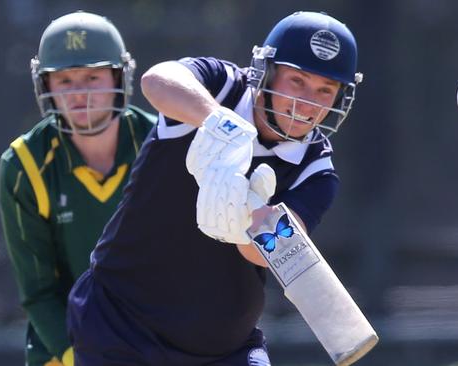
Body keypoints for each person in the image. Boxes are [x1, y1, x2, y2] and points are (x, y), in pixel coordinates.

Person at [67, 11, 362, 366]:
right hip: (120, 323)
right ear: (266, 71)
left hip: (222, 348)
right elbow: (157, 80)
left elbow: (271, 251)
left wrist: (244, 218)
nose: (307, 102)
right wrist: (219, 124)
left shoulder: (316, 169)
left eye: (324, 90)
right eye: (297, 81)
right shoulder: (221, 86)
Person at [0, 11, 156, 366]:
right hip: (67, 351)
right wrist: (82, 358)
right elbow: (39, 292)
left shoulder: (162, 144)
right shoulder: (23, 166)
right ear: (45, 85)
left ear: (119, 75)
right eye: (64, 80)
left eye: (92, 77)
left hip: (157, 341)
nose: (79, 93)